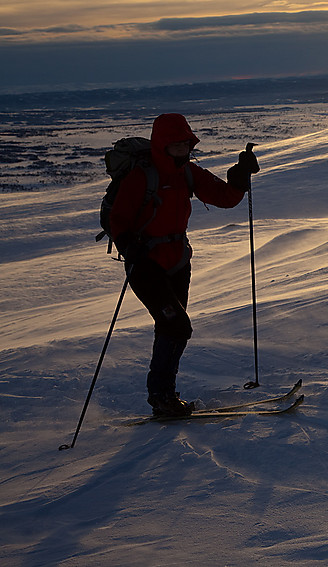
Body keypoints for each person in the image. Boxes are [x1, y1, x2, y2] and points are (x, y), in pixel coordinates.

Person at [109, 113, 259, 416]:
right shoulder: (142, 176)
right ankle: (161, 397)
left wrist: (240, 177)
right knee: (177, 326)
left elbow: (224, 198)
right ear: (162, 145)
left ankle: (164, 394)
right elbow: (118, 220)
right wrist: (128, 244)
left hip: (178, 261)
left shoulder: (188, 173)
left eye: (185, 143)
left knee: (171, 327)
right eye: (176, 144)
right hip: (146, 265)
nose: (182, 148)